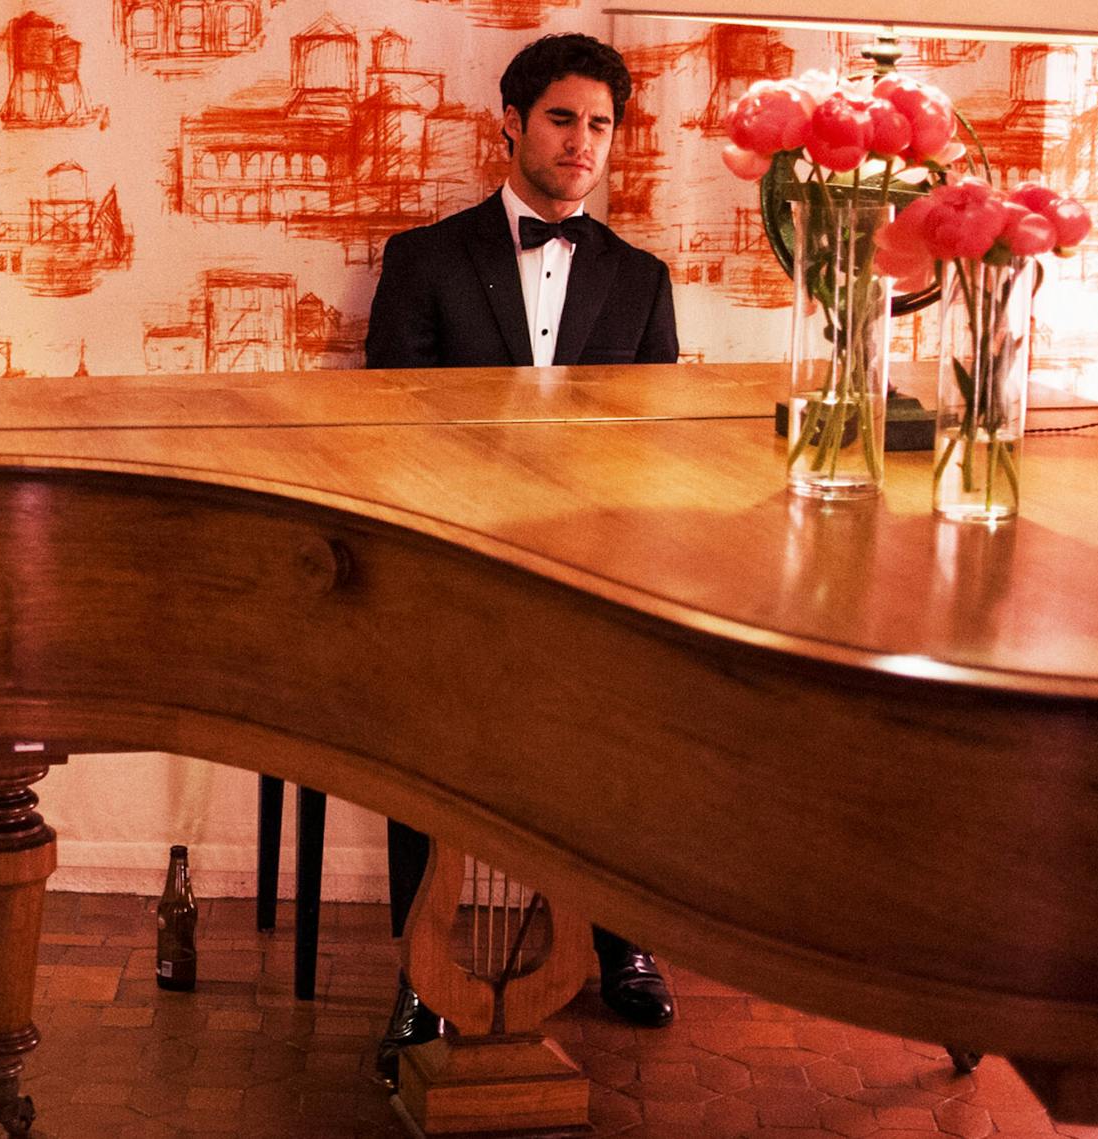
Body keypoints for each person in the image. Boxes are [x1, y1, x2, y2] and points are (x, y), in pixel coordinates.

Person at [365, 31, 679, 1087]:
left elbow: (649, 446)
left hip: (592, 565)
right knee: (424, 745)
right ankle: (422, 974)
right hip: (449, 556)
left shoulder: (642, 280)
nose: (581, 142)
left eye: (600, 125)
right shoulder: (423, 260)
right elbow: (395, 428)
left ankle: (621, 937)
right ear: (509, 121)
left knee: (631, 720)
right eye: (561, 118)